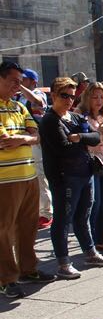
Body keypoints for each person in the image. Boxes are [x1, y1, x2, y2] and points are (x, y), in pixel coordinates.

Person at [39, 77, 103, 280]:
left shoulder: (74, 118)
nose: (69, 100)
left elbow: (96, 137)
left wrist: (80, 137)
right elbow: (64, 149)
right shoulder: (49, 120)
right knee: (63, 220)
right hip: (64, 177)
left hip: (84, 172)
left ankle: (90, 253)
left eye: (72, 96)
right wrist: (84, 139)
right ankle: (63, 263)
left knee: (83, 215)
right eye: (64, 95)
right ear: (53, 95)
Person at [0, 61, 54, 298]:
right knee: (3, 230)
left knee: (28, 226)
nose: (17, 87)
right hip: (4, 180)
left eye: (20, 82)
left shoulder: (18, 107)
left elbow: (37, 135)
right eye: (13, 81)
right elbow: (4, 139)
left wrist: (21, 138)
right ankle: (6, 278)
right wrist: (26, 137)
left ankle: (28, 268)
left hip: (28, 175)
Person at [78, 82, 103, 251]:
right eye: (94, 97)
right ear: (87, 98)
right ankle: (91, 242)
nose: (98, 100)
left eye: (102, 97)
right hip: (91, 164)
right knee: (94, 203)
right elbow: (83, 142)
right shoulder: (81, 116)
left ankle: (100, 239)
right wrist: (100, 133)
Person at [15, 68, 52, 229]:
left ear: (32, 81)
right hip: (22, 144)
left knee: (39, 176)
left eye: (23, 80)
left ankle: (46, 213)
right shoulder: (17, 98)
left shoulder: (38, 93)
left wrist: (20, 87)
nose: (20, 82)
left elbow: (38, 102)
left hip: (37, 142)